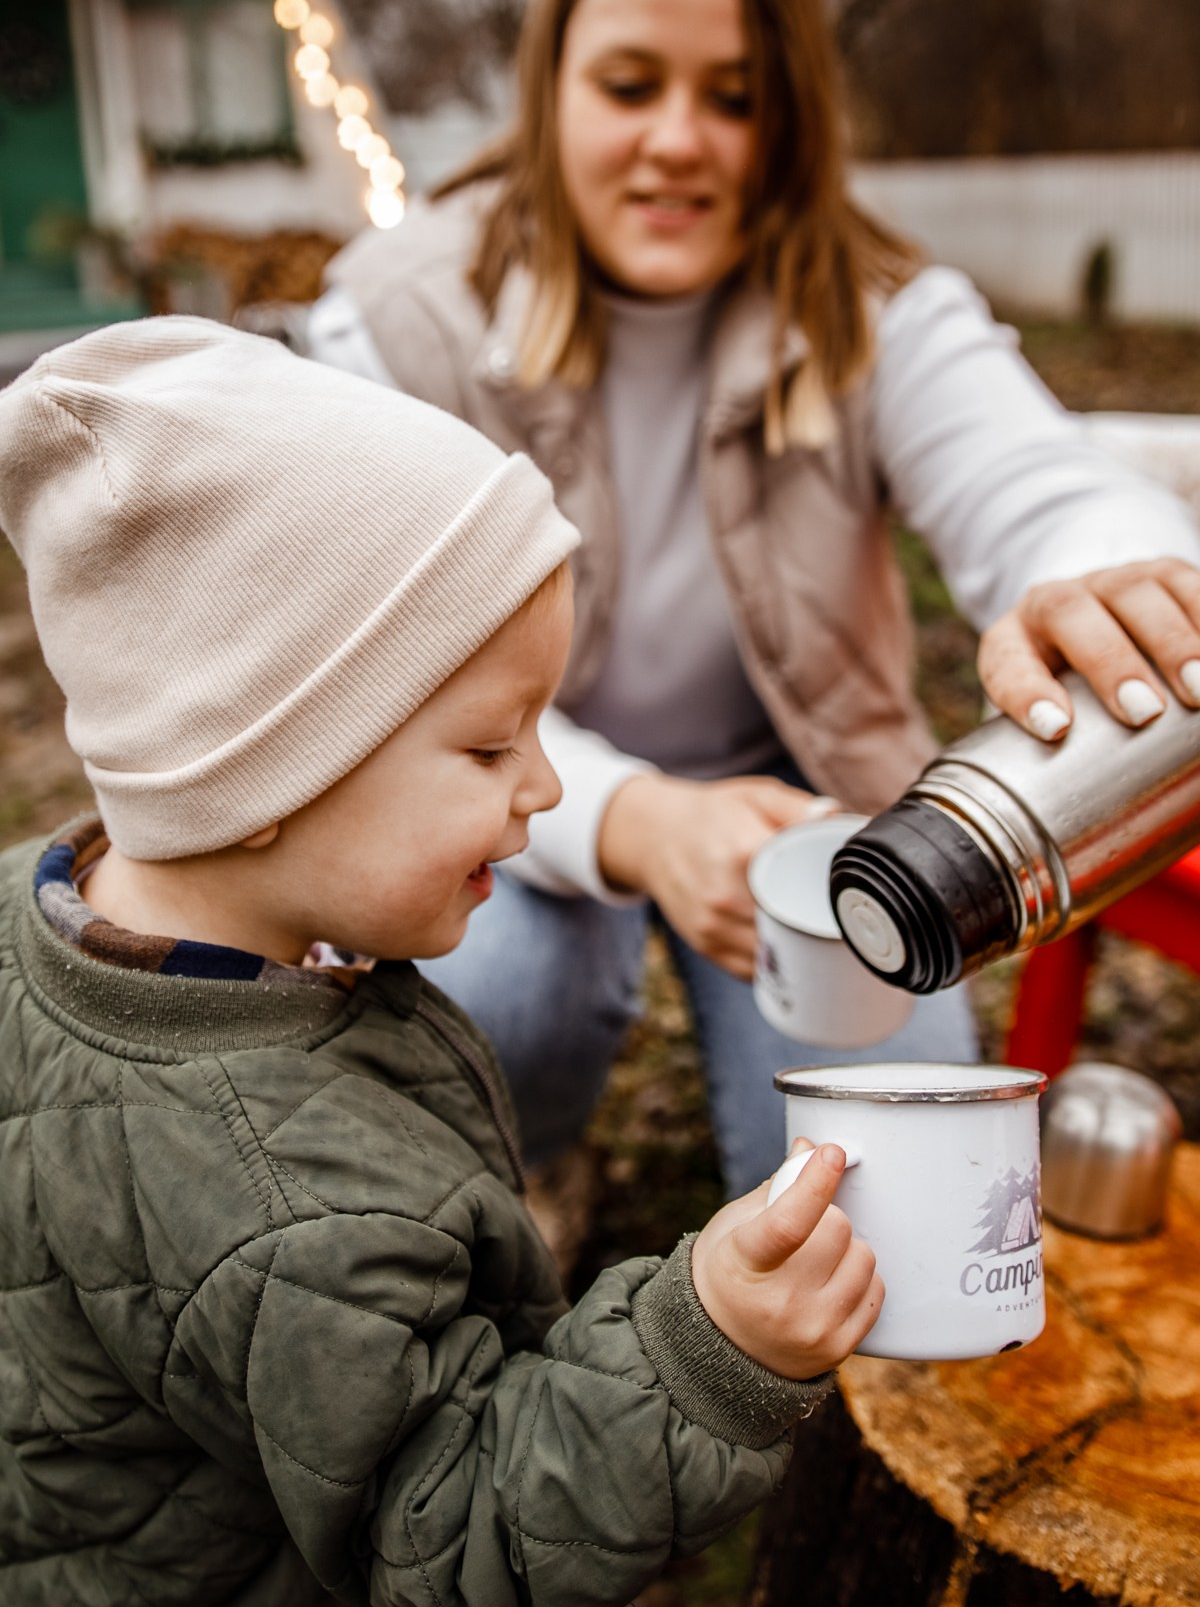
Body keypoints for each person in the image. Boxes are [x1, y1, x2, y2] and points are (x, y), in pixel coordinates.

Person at [309, 0, 1200, 1199]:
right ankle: (524, 1166)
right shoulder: (397, 317)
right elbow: (375, 679)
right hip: (506, 795)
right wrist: (638, 822)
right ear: (547, 87)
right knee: (492, 1001)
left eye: (735, 97)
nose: (680, 140)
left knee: (905, 1174)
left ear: (791, 118)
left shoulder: (878, 305)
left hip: (809, 805)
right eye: (629, 86)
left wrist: (1102, 572)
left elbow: (1039, 479)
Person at [0, 317, 883, 1606]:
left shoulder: (59, 911)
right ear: (254, 775)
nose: (540, 789)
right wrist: (706, 1353)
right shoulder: (293, 1207)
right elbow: (451, 1534)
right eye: (487, 750)